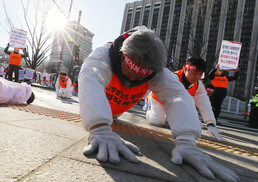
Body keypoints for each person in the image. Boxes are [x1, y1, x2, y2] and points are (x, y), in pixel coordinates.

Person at [78, 27, 238, 181]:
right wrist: (99, 128)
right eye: (128, 73)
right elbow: (89, 78)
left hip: (116, 112)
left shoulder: (159, 72)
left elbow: (179, 95)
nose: (131, 80)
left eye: (139, 77)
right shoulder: (102, 55)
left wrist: (187, 141)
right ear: (121, 57)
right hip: (104, 108)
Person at [144, 57, 225, 141]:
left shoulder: (198, 85)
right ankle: (149, 109)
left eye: (200, 74)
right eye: (195, 73)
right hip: (158, 100)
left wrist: (210, 124)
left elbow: (204, 103)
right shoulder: (173, 78)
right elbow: (173, 103)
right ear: (186, 69)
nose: (197, 77)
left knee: (186, 123)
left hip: (176, 105)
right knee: (159, 121)